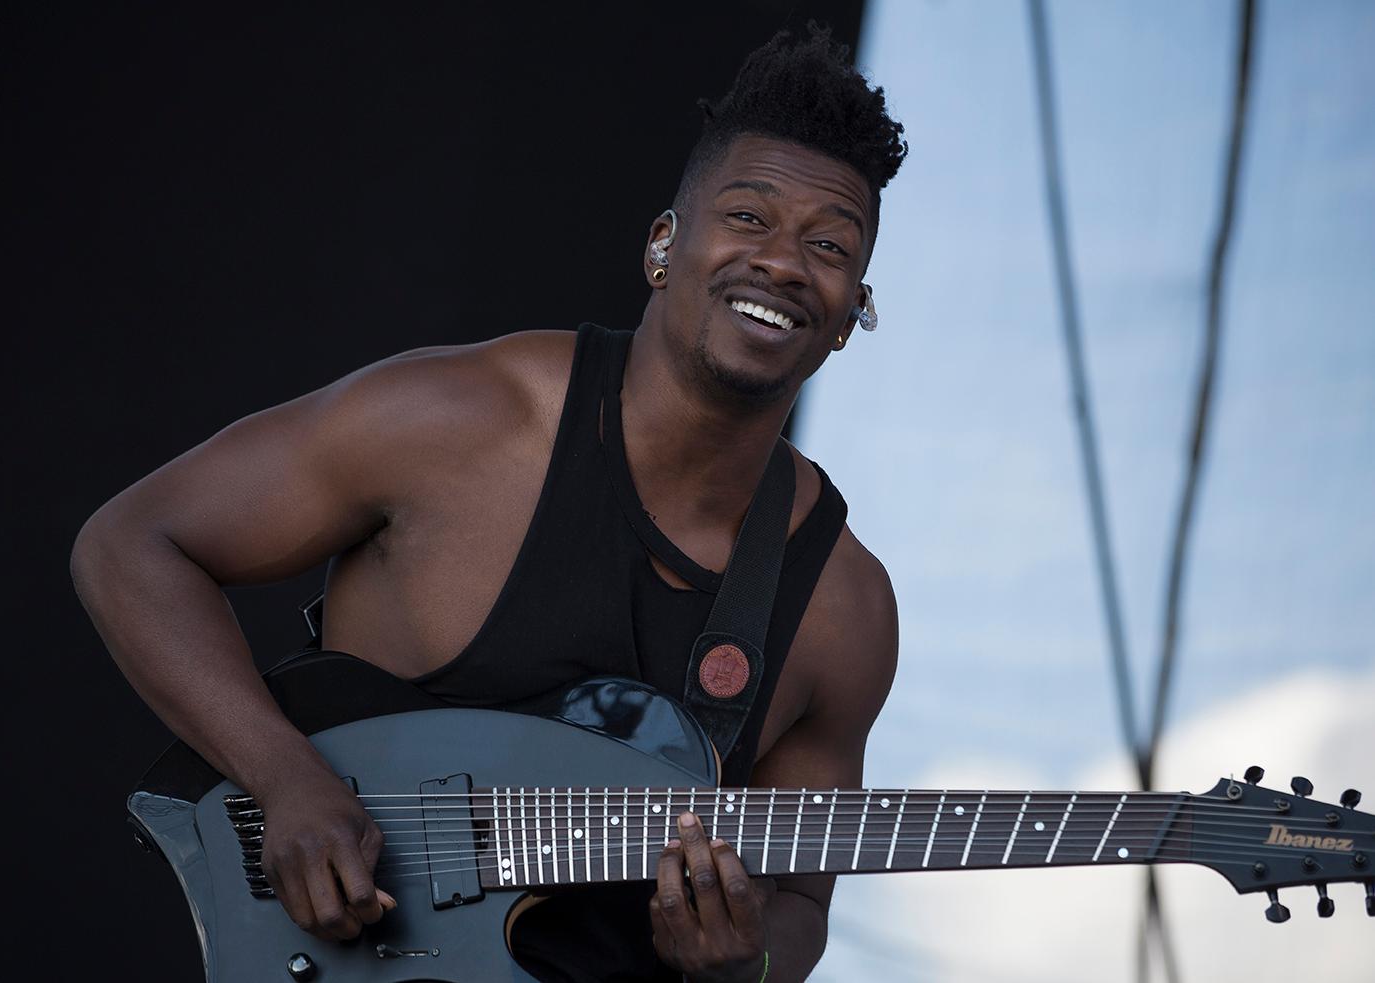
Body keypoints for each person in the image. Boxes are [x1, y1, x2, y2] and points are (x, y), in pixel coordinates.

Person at [72, 26, 906, 983]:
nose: (784, 263)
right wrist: (284, 775)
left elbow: (798, 904)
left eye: (828, 244)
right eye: (748, 217)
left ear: (850, 314)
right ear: (662, 245)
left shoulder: (844, 610)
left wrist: (742, 962)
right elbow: (130, 542)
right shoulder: (461, 423)